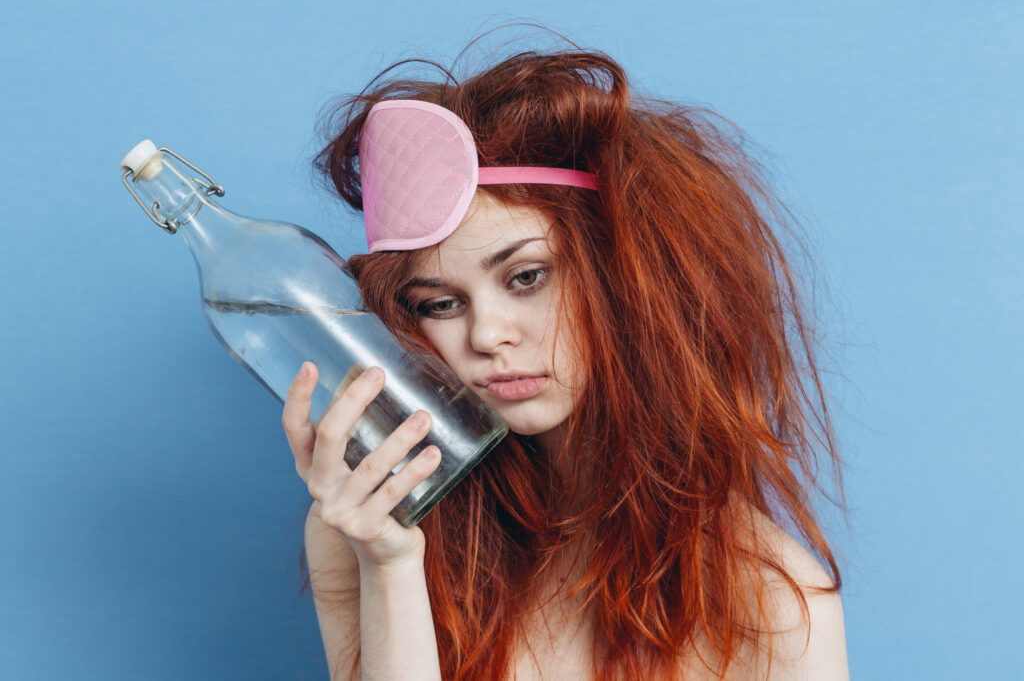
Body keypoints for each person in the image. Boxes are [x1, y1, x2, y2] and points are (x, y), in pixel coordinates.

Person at [282, 43, 850, 680]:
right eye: (440, 303)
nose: (488, 335)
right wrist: (388, 566)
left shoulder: (769, 601)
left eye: (527, 277)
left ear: (625, 279)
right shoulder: (360, 530)